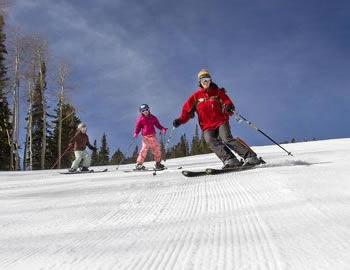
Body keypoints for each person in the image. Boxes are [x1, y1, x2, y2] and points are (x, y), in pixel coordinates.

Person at [173, 69, 263, 169]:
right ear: (200, 82)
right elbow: (186, 111)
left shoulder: (218, 92)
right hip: (207, 126)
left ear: (210, 80)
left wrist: (229, 106)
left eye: (207, 79)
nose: (205, 82)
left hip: (221, 121)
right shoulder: (195, 97)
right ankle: (230, 160)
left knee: (226, 138)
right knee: (210, 140)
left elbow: (227, 101)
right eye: (203, 80)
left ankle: (250, 157)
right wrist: (180, 120)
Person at [134, 104, 167, 170]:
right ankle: (139, 164)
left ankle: (158, 164)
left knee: (157, 149)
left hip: (153, 136)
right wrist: (136, 133)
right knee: (144, 149)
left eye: (146, 109)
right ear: (141, 112)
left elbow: (158, 125)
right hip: (145, 137)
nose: (145, 111)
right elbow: (138, 127)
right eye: (143, 110)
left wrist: (162, 128)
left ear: (149, 109)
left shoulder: (153, 117)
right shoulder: (140, 119)